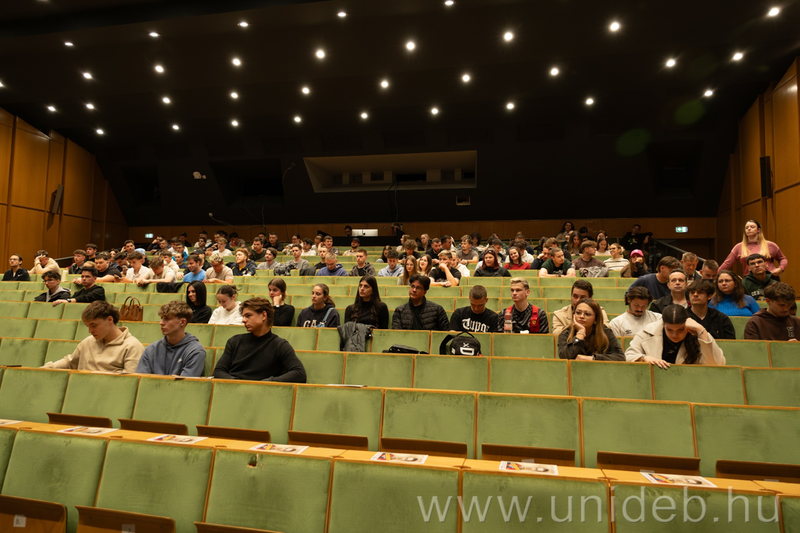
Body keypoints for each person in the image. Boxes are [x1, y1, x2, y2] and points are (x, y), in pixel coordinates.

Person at [213, 297, 307, 382]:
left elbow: (299, 373)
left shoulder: (279, 345)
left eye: (248, 316)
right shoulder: (234, 341)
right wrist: (238, 383)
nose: (243, 320)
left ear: (263, 315)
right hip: (233, 389)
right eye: (243, 316)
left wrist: (266, 383)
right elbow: (219, 371)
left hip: (263, 392)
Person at [43, 301, 143, 372]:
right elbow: (69, 362)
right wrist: (45, 369)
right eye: (88, 326)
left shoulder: (132, 346)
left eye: (94, 325)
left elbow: (129, 382)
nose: (90, 331)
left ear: (109, 320)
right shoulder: (88, 341)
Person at [625, 304, 726, 367]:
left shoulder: (698, 333)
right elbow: (628, 356)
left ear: (686, 325)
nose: (674, 335)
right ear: (663, 324)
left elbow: (716, 365)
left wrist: (701, 329)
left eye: (680, 330)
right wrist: (643, 358)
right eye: (669, 330)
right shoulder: (647, 331)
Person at [136, 301, 206, 376]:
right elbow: (142, 380)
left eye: (167, 319)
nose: (161, 323)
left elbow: (185, 382)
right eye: (161, 318)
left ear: (182, 322)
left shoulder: (195, 351)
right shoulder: (151, 349)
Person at [558, 298, 624, 361]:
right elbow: (565, 357)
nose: (581, 316)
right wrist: (580, 333)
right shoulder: (566, 333)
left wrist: (593, 358)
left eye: (587, 314)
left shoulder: (605, 332)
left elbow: (620, 357)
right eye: (578, 312)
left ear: (595, 319)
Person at [720, 220, 787, 277]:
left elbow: (782, 258)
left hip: (769, 277)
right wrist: (717, 276)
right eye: (746, 228)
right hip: (750, 280)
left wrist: (780, 269)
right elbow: (727, 264)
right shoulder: (739, 247)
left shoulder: (770, 245)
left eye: (752, 227)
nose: (749, 229)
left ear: (758, 230)